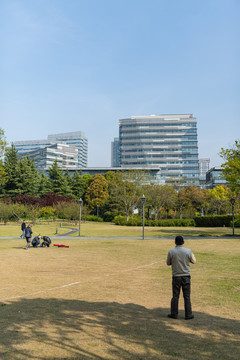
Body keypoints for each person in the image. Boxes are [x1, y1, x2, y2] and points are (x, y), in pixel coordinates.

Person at [167, 235, 196, 320]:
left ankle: (174, 313)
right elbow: (194, 261)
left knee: (175, 296)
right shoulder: (188, 251)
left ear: (175, 242)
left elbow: (168, 263)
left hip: (176, 276)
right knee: (187, 296)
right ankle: (188, 314)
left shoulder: (171, 251)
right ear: (183, 242)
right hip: (186, 276)